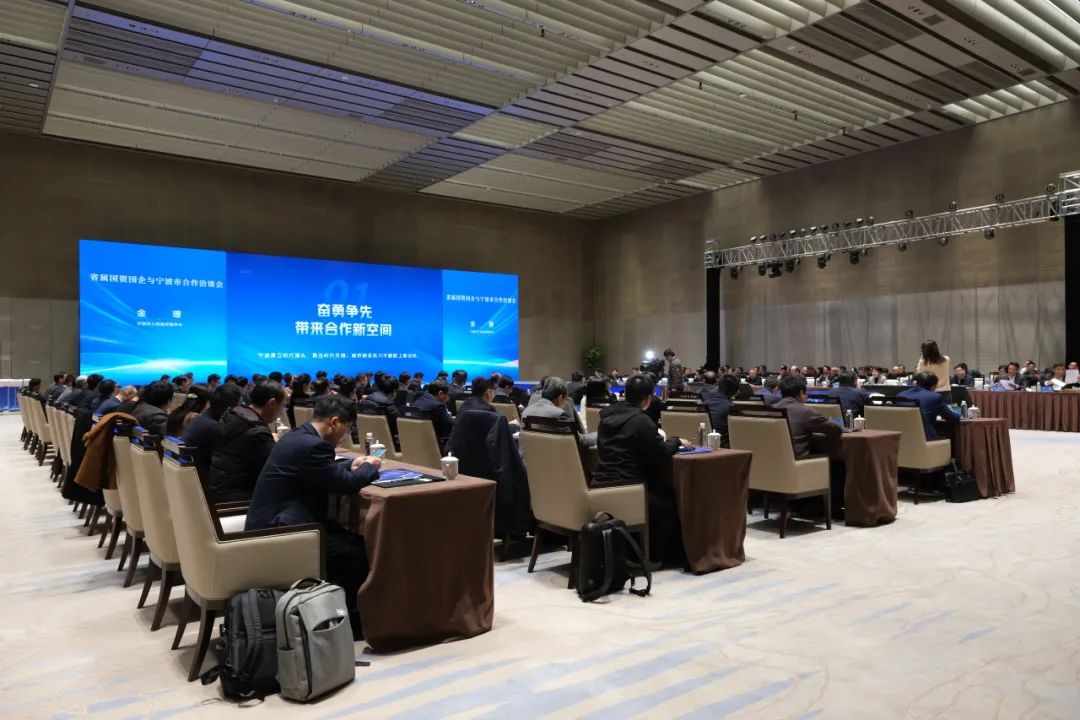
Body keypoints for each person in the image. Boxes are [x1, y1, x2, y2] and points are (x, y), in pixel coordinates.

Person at [245, 397, 380, 639]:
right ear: (334, 422)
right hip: (283, 531)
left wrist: (351, 464)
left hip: (270, 522)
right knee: (356, 552)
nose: (345, 436)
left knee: (347, 538)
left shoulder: (297, 436)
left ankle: (335, 610)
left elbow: (321, 470)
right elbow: (346, 484)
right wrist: (370, 466)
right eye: (347, 429)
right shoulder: (314, 446)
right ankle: (349, 623)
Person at [593, 373, 691, 564]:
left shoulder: (605, 418)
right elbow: (661, 452)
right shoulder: (641, 421)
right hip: (630, 490)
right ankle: (654, 557)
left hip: (600, 486)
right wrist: (676, 440)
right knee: (670, 502)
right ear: (647, 399)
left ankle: (631, 551)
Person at [207, 381, 287, 502]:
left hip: (217, 488)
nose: (282, 411)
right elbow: (276, 470)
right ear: (272, 403)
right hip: (237, 499)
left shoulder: (233, 413)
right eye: (283, 405)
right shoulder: (258, 433)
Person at [182, 383, 242, 481]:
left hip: (190, 479)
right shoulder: (215, 428)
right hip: (204, 483)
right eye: (239, 406)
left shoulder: (199, 420)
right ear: (229, 409)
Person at [773, 376, 842, 459]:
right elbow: (835, 430)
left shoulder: (769, 410)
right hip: (797, 461)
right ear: (801, 393)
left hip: (769, 460)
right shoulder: (805, 411)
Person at [899, 372, 960, 439]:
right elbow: (952, 417)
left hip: (901, 437)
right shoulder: (934, 397)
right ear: (933, 386)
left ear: (916, 383)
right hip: (925, 439)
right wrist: (960, 415)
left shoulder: (901, 395)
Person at [409, 379, 456, 447]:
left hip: (415, 443)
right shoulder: (437, 406)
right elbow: (451, 426)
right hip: (432, 446)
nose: (448, 398)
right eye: (448, 394)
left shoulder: (418, 400)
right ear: (440, 393)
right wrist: (449, 417)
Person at [360, 373, 401, 444]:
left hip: (367, 442)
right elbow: (399, 429)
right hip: (387, 445)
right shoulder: (389, 407)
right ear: (394, 391)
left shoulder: (365, 401)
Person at [706, 374, 739, 442]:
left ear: (717, 387)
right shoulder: (732, 408)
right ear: (736, 392)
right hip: (723, 444)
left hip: (702, 443)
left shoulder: (703, 404)